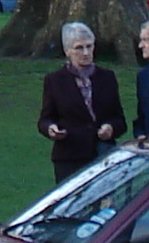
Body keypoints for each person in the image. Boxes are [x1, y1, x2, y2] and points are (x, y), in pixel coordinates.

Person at [36, 20, 127, 180]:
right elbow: (45, 119)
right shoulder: (55, 81)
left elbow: (119, 120)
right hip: (70, 157)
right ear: (67, 51)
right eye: (79, 47)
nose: (86, 52)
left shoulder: (107, 77)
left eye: (89, 46)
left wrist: (110, 128)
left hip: (102, 155)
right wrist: (51, 129)